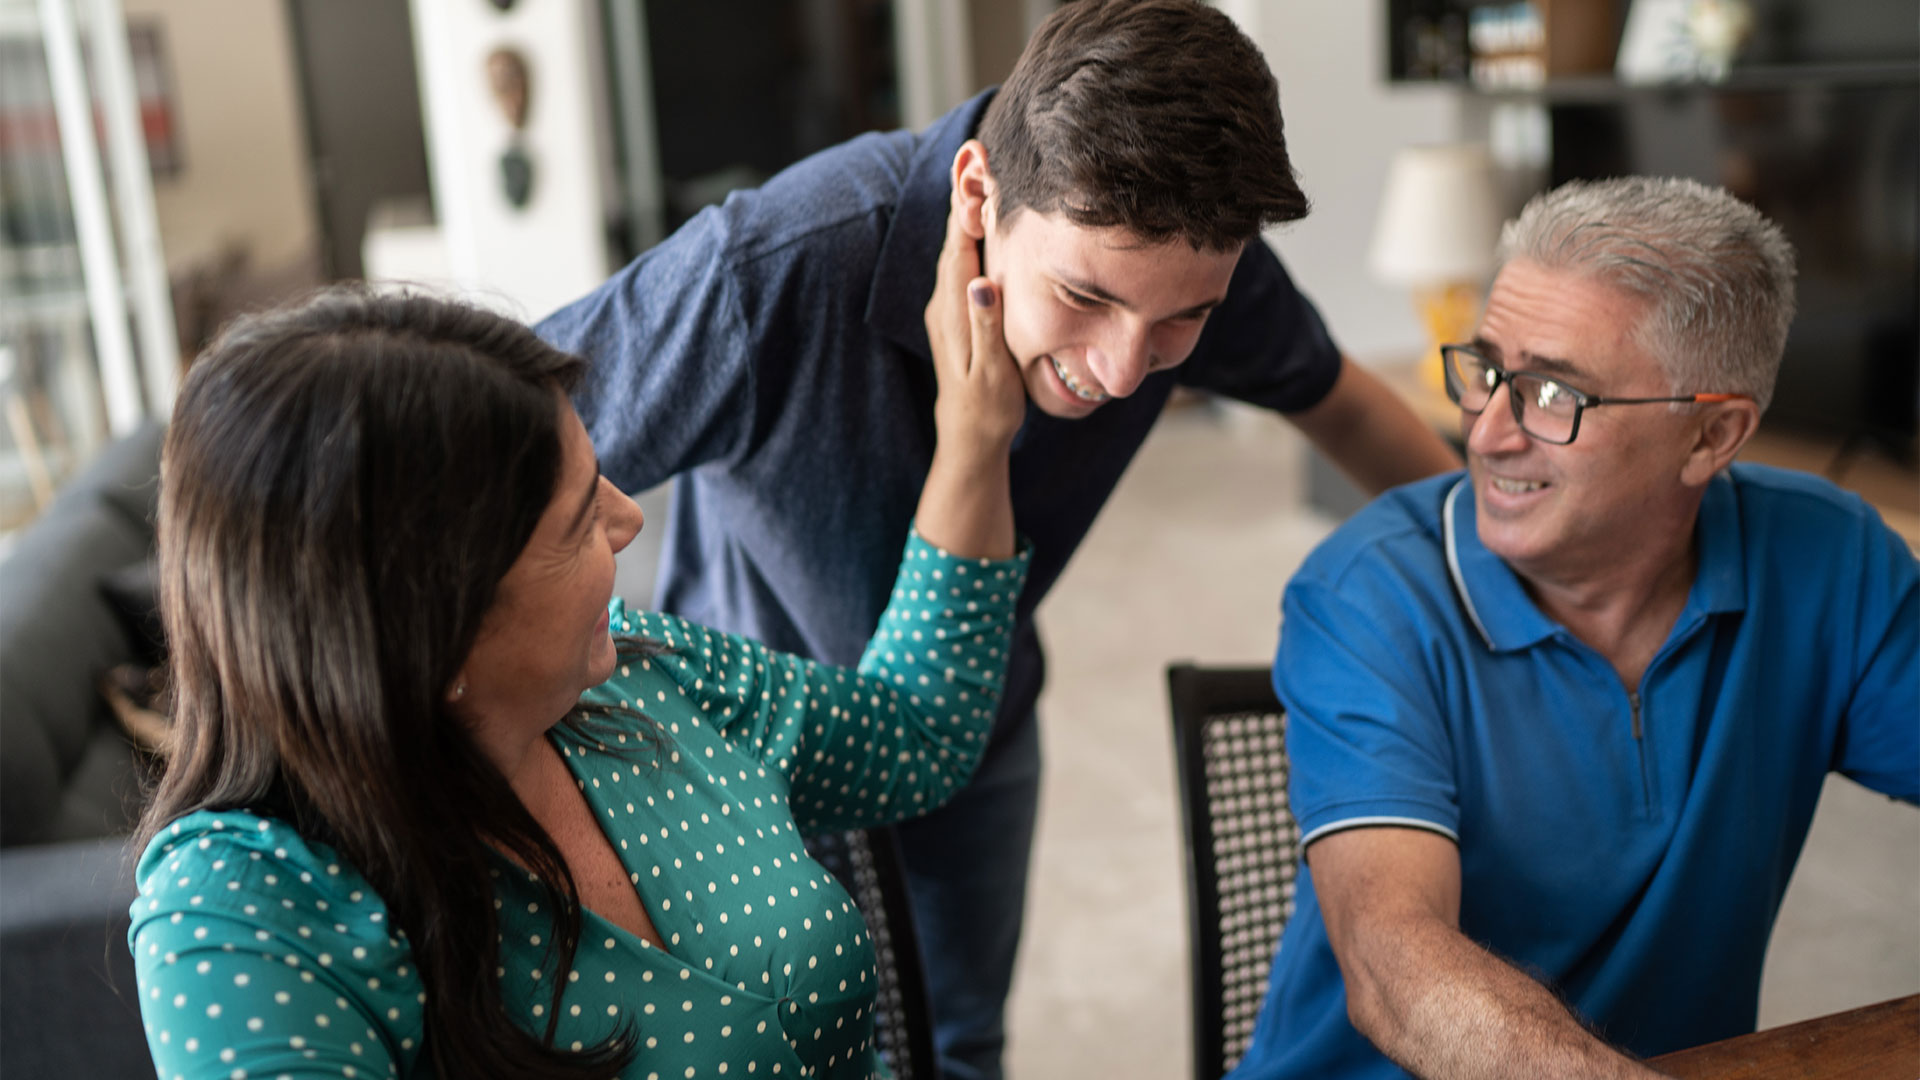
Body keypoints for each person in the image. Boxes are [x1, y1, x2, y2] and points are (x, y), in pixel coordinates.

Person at [537, 4, 1460, 1074]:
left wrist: (1502, 567)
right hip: (749, 743)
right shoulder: (769, 267)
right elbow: (472, 444)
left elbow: (1339, 403)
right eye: (1085, 296)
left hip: (977, 723)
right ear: (979, 193)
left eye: (1180, 322)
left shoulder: (1198, 263)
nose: (1124, 373)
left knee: (961, 1041)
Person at [128, 217, 1029, 1080]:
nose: (629, 519)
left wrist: (976, 436)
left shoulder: (641, 669)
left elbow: (916, 733)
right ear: (430, 635)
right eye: (576, 523)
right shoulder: (241, 908)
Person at [1234, 176, 1919, 1080]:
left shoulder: (1833, 558)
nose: (1484, 435)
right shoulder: (1367, 591)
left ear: (1711, 439)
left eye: (1555, 394)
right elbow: (1394, 965)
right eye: (1485, 372)